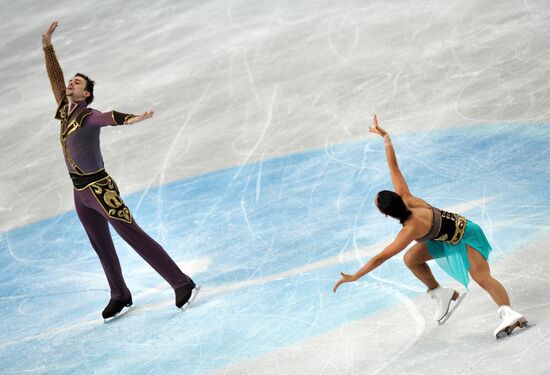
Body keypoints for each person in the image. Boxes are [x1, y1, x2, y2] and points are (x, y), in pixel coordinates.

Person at [41, 21, 199, 320]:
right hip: (79, 192)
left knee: (132, 235)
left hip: (100, 190)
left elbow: (107, 118)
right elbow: (54, 76)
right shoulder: (65, 109)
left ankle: (181, 282)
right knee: (99, 243)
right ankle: (119, 293)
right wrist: (47, 46)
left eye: (77, 83)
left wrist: (131, 119)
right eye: (71, 82)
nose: (71, 84)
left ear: (86, 94)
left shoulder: (87, 116)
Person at [333, 115, 527, 339]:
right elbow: (394, 166)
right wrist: (386, 138)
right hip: (445, 240)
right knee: (410, 259)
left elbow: (380, 258)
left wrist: (355, 276)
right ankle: (440, 293)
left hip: (467, 235)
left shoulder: (408, 231)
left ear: (386, 214)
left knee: (481, 277)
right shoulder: (407, 197)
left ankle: (509, 313)